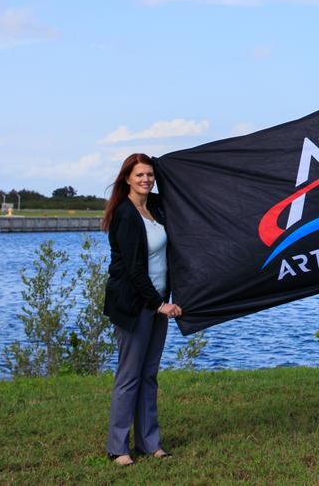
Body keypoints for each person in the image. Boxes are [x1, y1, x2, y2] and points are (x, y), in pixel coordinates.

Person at [101, 153, 182, 466]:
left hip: (158, 301)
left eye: (150, 174)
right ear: (126, 179)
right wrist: (160, 305)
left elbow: (182, 190)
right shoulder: (125, 214)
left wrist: (169, 166)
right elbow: (135, 272)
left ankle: (150, 443)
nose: (146, 180)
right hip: (136, 306)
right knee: (130, 376)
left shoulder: (156, 208)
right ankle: (118, 448)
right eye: (139, 175)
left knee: (149, 376)